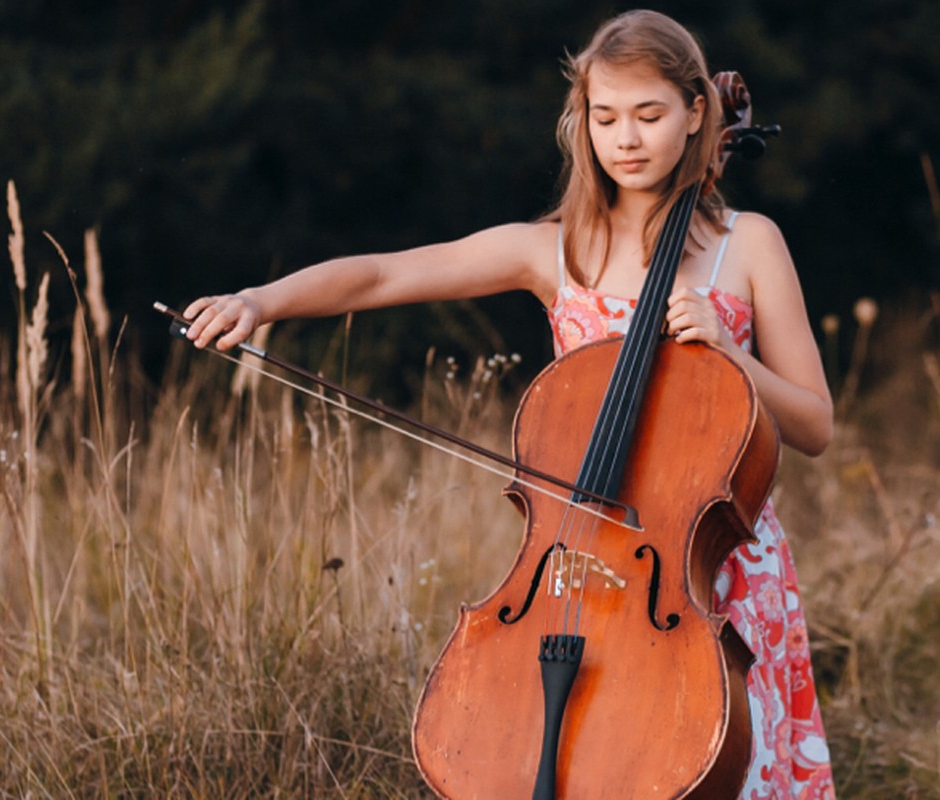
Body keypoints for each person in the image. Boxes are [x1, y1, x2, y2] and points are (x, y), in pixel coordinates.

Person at [183, 9, 837, 798]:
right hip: (578, 571)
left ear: (698, 113)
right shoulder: (553, 251)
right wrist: (262, 299)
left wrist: (734, 357)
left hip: (719, 574)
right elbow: (387, 275)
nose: (625, 138)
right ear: (581, 122)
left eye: (649, 115)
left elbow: (813, 424)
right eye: (605, 117)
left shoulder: (749, 244)